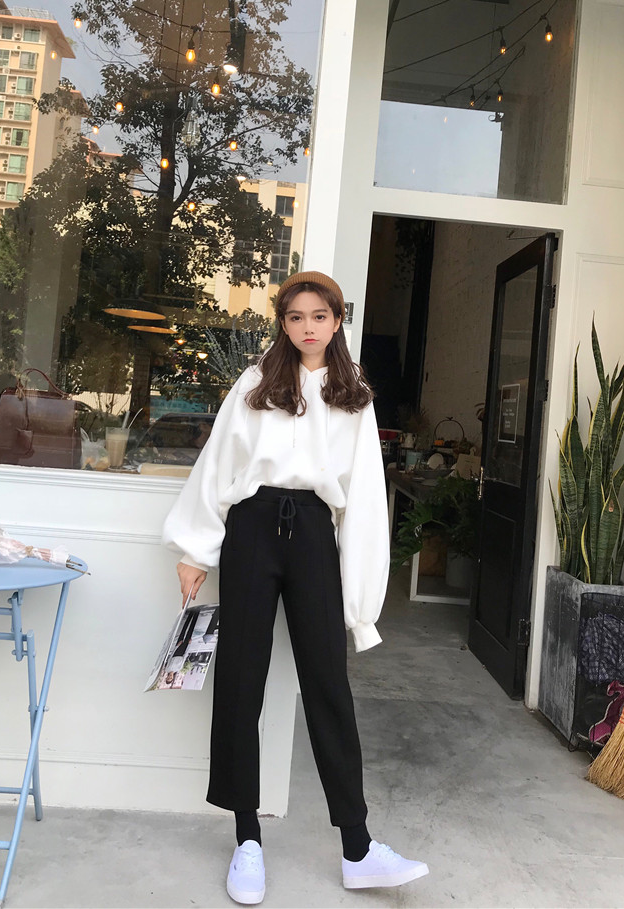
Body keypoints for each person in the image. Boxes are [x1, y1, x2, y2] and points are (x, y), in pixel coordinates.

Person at [162, 271, 429, 905]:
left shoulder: (353, 395)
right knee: (240, 681)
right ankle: (247, 839)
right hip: (251, 530)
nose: (308, 327)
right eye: (296, 317)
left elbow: (364, 499)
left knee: (328, 685)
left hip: (312, 533)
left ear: (337, 321)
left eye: (320, 316)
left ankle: (358, 848)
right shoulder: (256, 384)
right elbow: (219, 464)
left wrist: (361, 606)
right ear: (283, 323)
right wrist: (197, 548)